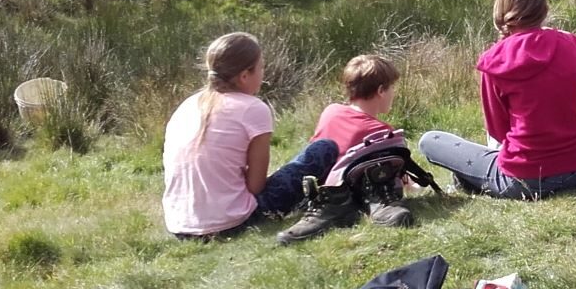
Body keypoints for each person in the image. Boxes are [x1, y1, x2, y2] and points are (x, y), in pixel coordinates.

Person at [420, 0, 576, 198]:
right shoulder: (569, 42)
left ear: (502, 12)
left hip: (523, 180)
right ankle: (469, 180)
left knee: (430, 140)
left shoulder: (494, 59)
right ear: (544, 9)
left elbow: (498, 130)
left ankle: (469, 179)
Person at [162, 32, 339, 238]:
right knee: (324, 148)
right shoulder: (253, 109)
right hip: (231, 223)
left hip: (179, 226)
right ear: (244, 75)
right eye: (261, 67)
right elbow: (255, 186)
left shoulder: (188, 105)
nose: (263, 74)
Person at [279, 54, 413, 242]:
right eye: (392, 88)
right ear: (381, 90)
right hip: (356, 191)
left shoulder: (330, 112)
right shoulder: (382, 133)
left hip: (318, 190)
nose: (393, 93)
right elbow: (403, 183)